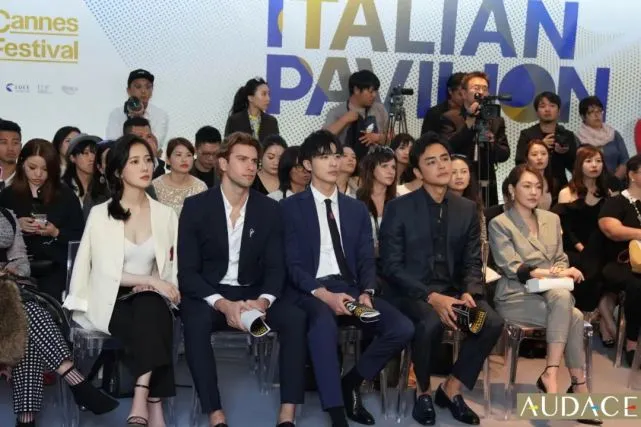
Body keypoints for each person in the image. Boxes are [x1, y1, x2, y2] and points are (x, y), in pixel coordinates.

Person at [281, 130, 413, 427]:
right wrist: (324, 295)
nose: (333, 162)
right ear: (307, 164)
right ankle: (336, 411)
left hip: (350, 287)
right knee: (323, 323)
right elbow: (292, 265)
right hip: (310, 290)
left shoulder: (356, 209)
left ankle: (351, 382)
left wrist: (366, 291)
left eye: (336, 155)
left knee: (401, 327)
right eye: (323, 156)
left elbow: (366, 259)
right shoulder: (290, 207)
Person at [178, 131, 306, 427]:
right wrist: (223, 304)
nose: (250, 167)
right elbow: (187, 273)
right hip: (211, 293)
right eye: (242, 159)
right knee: (195, 322)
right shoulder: (196, 207)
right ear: (223, 163)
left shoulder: (269, 209)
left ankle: (287, 412)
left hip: (253, 293)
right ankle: (215, 412)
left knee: (296, 318)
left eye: (254, 161)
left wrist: (262, 302)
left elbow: (276, 268)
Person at [379, 132, 503, 426]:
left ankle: (451, 388)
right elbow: (391, 266)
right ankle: (423, 392)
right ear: (418, 172)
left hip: (453, 292)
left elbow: (473, 261)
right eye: (432, 162)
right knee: (429, 322)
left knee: (490, 322)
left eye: (445, 159)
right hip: (409, 293)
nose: (442, 166)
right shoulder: (398, 208)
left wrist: (470, 291)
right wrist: (431, 297)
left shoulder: (467, 209)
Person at [63, 134, 179, 426]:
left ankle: (141, 394)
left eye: (148, 160)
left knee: (151, 307)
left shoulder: (165, 214)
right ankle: (154, 403)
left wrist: (153, 282)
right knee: (153, 321)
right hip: (110, 298)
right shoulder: (101, 214)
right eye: (135, 161)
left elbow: (169, 266)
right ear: (117, 171)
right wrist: (150, 281)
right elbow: (104, 271)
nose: (145, 167)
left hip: (150, 296)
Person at [489, 165, 601, 425]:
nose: (533, 192)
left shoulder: (552, 219)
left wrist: (560, 269)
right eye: (526, 186)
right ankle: (578, 386)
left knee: (562, 299)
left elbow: (560, 257)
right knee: (573, 314)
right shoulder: (500, 223)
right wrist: (553, 273)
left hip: (552, 294)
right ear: (511, 190)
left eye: (538, 187)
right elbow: (513, 267)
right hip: (517, 295)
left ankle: (551, 373)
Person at [0, 206, 119, 427]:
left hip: (11, 293)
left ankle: (26, 419)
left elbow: (21, 260)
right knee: (26, 313)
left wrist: (13, 271)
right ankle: (76, 382)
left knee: (25, 319)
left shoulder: (6, 214)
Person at [0, 139, 83, 301]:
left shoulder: (65, 195)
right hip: (15, 270)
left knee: (50, 305)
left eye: (45, 169)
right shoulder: (8, 195)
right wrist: (16, 225)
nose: (38, 174)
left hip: (55, 269)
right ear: (22, 164)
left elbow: (80, 236)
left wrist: (55, 232)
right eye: (32, 168)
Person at [554, 146, 615, 342]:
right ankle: (601, 317)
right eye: (589, 161)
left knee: (609, 267)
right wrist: (581, 247)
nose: (594, 165)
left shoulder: (607, 193)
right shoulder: (567, 192)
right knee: (587, 265)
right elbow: (565, 229)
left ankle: (601, 315)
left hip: (600, 248)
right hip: (573, 247)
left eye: (598, 161)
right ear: (580, 165)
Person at [598, 154, 641, 367]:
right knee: (637, 284)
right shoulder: (617, 202)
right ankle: (632, 341)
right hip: (621, 263)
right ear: (632, 175)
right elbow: (612, 230)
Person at [447, 72, 510, 207]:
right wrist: (469, 123)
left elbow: (504, 155)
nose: (481, 92)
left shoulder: (496, 120)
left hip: (487, 180)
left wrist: (492, 142)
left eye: (484, 89)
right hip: (459, 180)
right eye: (476, 88)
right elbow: (447, 147)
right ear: (463, 93)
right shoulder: (450, 118)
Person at [515, 92, 578, 189]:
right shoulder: (527, 134)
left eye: (552, 106)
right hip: (533, 186)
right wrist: (540, 146)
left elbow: (575, 166)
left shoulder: (567, 135)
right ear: (537, 112)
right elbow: (519, 164)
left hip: (560, 188)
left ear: (559, 111)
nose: (547, 109)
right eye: (542, 106)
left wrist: (564, 153)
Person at [324, 70, 388, 162]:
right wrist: (344, 120)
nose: (374, 95)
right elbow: (322, 139)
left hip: (375, 163)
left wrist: (378, 138)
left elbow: (392, 139)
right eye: (370, 91)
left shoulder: (380, 109)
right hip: (345, 163)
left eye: (375, 91)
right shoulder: (337, 112)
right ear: (356, 90)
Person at [106, 69, 169, 149]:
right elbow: (113, 144)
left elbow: (155, 145)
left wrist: (139, 117)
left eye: (148, 87)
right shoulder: (116, 114)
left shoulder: (160, 115)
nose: (143, 91)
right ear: (128, 90)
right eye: (138, 87)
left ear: (152, 90)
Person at [576, 96, 629, 181]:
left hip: (616, 182)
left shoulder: (613, 134)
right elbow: (577, 166)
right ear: (583, 116)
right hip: (589, 183)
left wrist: (614, 180)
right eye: (591, 112)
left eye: (599, 111)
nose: (596, 115)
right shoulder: (579, 138)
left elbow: (625, 160)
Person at [356, 146, 397, 254]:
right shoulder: (355, 200)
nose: (391, 172)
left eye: (393, 167)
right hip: (364, 259)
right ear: (371, 168)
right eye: (384, 166)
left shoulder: (399, 201)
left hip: (392, 259)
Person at [152, 137, 207, 216]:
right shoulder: (155, 186)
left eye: (188, 155)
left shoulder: (200, 187)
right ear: (168, 159)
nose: (184, 159)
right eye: (178, 155)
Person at [61, 134, 110, 220]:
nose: (92, 158)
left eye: (94, 153)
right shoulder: (62, 188)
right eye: (85, 153)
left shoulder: (106, 187)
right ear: (72, 158)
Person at [449, 154, 486, 242]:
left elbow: (482, 238)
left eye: (464, 171)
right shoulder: (439, 203)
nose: (459, 176)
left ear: (470, 176)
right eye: (453, 172)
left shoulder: (475, 203)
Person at [420, 72, 467, 137]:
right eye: (460, 94)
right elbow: (425, 140)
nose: (464, 97)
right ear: (450, 91)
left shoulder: (473, 112)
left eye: (467, 93)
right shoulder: (434, 113)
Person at [525, 139, 556, 210]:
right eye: (534, 154)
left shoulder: (551, 181)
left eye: (543, 154)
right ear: (527, 158)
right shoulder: (523, 181)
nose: (539, 158)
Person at [0, 119, 21, 191]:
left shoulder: (29, 179)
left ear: (21, 146)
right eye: (4, 142)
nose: (10, 148)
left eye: (15, 143)